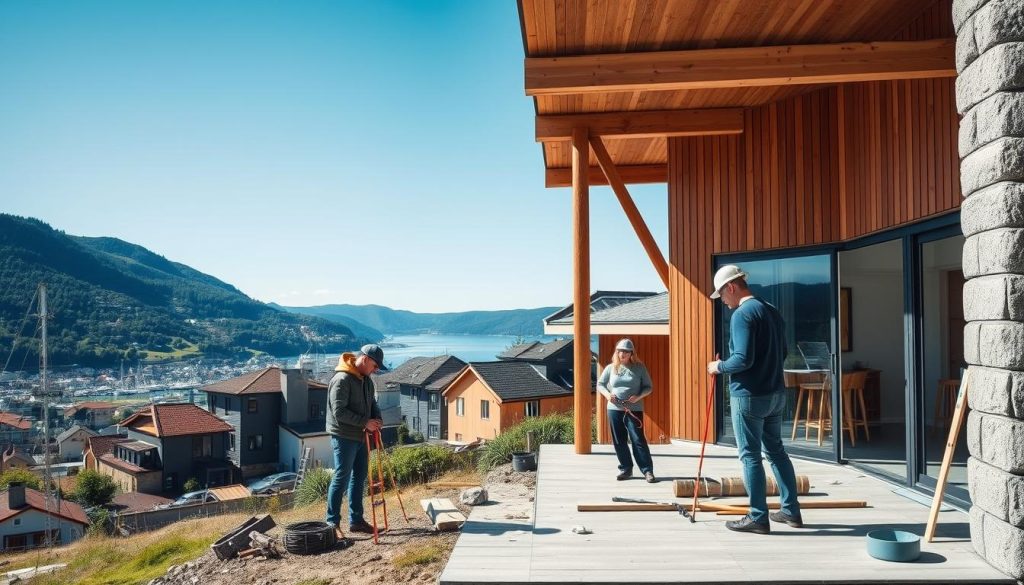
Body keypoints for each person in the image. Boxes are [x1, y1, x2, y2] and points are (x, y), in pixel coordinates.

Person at [707, 265, 802, 534]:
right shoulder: (770, 309)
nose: (723, 302)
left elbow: (742, 359)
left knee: (750, 457)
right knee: (777, 452)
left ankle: (758, 516)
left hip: (749, 396)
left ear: (731, 287)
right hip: (776, 393)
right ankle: (790, 511)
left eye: (722, 296)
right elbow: (783, 351)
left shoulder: (742, 314)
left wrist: (718, 367)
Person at [325, 343, 387, 540]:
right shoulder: (341, 379)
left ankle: (356, 521)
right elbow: (339, 412)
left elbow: (372, 403)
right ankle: (332, 523)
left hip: (362, 434)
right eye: (375, 366)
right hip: (343, 435)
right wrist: (365, 422)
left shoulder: (367, 380)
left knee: (359, 477)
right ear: (365, 359)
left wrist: (376, 420)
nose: (376, 370)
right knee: (342, 477)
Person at [597, 338, 656, 483]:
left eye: (625, 351)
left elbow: (648, 387)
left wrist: (638, 396)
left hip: (633, 409)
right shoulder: (611, 368)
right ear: (616, 352)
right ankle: (626, 469)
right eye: (619, 351)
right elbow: (600, 384)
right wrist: (607, 395)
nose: (622, 354)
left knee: (638, 439)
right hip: (614, 408)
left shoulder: (640, 368)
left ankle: (647, 471)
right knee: (619, 440)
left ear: (631, 353)